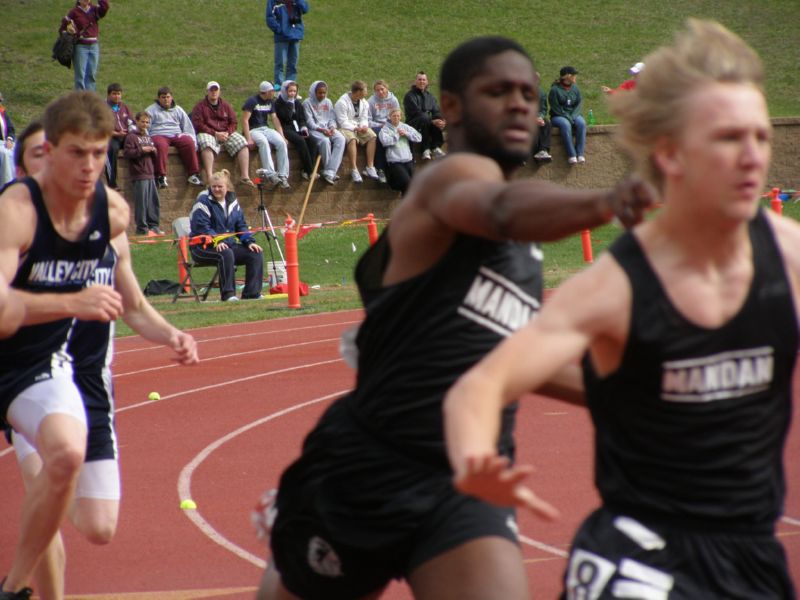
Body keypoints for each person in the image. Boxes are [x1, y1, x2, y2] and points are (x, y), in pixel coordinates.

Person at [255, 36, 653, 600]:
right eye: (498, 91)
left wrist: (642, 392)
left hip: (467, 478)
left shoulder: (523, 247)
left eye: (528, 93)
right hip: (371, 467)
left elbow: (513, 357)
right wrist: (607, 202)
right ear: (451, 109)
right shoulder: (449, 182)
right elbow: (497, 208)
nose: (520, 104)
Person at [444, 20, 798, 599]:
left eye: (761, 137)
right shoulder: (618, 287)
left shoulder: (786, 257)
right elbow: (480, 386)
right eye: (729, 139)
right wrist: (476, 459)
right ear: (671, 154)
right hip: (639, 559)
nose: (753, 157)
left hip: (751, 555)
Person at [0, 90, 196, 600]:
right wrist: (73, 301)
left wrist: (170, 334)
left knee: (88, 503)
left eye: (98, 151)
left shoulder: (112, 215)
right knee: (56, 463)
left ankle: (17, 580)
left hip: (64, 369)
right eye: (72, 152)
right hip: (18, 358)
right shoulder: (16, 212)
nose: (89, 164)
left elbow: (129, 303)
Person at [189, 169, 264, 302]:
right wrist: (216, 242)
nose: (216, 189)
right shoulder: (203, 202)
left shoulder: (233, 201)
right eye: (214, 187)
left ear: (227, 187)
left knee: (255, 253)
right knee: (226, 253)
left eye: (220, 187)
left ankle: (252, 294)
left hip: (227, 245)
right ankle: (228, 295)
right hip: (202, 248)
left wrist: (249, 242)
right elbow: (202, 227)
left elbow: (241, 225)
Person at [191, 82, 255, 187]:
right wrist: (215, 133)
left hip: (225, 132)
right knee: (206, 143)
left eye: (216, 90)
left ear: (219, 91)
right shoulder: (200, 106)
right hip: (208, 132)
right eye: (211, 90)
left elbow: (233, 121)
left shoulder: (225, 105)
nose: (214, 92)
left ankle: (245, 176)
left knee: (242, 142)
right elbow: (198, 124)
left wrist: (227, 133)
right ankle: (210, 177)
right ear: (207, 92)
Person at [145, 86, 203, 189]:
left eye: (168, 97)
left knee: (188, 142)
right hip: (159, 134)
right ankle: (161, 176)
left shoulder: (178, 110)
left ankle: (193, 174)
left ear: (171, 97)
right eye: (163, 97)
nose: (166, 99)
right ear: (158, 98)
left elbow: (187, 126)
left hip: (176, 134)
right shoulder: (151, 110)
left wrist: (192, 140)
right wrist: (146, 140)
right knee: (161, 145)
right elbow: (145, 126)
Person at [242, 81, 290, 189]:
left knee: (281, 143)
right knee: (263, 142)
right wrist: (248, 139)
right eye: (272, 91)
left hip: (265, 128)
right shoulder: (252, 101)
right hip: (253, 130)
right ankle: (271, 174)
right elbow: (245, 120)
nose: (274, 93)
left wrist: (282, 136)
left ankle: (283, 175)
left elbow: (274, 119)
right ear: (266, 91)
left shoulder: (270, 101)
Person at [124, 111, 162, 235]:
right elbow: (128, 153)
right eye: (142, 122)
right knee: (142, 203)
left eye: (147, 122)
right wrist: (142, 149)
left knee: (153, 202)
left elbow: (154, 155)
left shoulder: (148, 136)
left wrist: (154, 150)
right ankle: (142, 229)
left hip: (150, 173)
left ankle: (154, 226)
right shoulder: (131, 137)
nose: (145, 124)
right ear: (136, 121)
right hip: (139, 173)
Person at [334, 80, 380, 183]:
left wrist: (364, 126)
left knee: (372, 136)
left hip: (358, 126)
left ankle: (370, 166)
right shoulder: (342, 102)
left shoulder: (364, 102)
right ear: (358, 92)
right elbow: (342, 121)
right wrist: (355, 128)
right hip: (345, 128)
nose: (366, 93)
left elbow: (364, 117)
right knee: (352, 139)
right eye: (365, 91)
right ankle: (354, 169)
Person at [59, 0, 110, 91]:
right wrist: (69, 31)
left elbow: (105, 8)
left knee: (91, 74)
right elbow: (63, 28)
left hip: (94, 46)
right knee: (80, 76)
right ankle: (80, 99)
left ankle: (90, 98)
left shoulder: (94, 10)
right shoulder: (74, 12)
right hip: (80, 47)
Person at [304, 80, 345, 185]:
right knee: (325, 141)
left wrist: (332, 127)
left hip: (328, 128)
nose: (322, 95)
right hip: (315, 130)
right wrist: (321, 130)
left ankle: (330, 170)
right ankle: (328, 170)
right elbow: (309, 122)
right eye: (319, 93)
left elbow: (332, 118)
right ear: (314, 92)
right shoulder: (307, 103)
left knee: (341, 138)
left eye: (324, 93)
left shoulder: (328, 102)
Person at [275, 80, 317, 181]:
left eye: (294, 91)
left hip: (297, 127)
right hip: (285, 128)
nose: (292, 94)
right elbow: (286, 117)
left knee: (312, 141)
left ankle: (308, 169)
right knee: (300, 141)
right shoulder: (278, 103)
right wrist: (290, 105)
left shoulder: (297, 103)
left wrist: (303, 127)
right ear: (285, 91)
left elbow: (301, 118)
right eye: (290, 91)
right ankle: (310, 171)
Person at [403, 71, 446, 160]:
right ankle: (425, 149)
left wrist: (441, 120)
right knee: (425, 118)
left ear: (427, 82)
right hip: (413, 123)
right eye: (419, 79)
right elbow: (416, 112)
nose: (421, 82)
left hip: (426, 121)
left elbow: (436, 111)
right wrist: (431, 121)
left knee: (437, 118)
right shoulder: (409, 96)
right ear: (415, 82)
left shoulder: (430, 96)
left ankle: (436, 147)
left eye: (423, 80)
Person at [266, 0, 309, 88]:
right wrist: (279, 30)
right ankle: (278, 89)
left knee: (293, 65)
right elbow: (269, 17)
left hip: (295, 35)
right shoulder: (274, 1)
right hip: (282, 37)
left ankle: (291, 89)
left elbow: (305, 9)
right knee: (280, 64)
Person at [549, 66, 587, 165]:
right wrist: (568, 117)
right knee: (565, 124)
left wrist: (573, 116)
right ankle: (572, 155)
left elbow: (578, 104)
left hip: (573, 114)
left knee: (581, 123)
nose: (575, 77)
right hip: (558, 115)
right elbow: (555, 107)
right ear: (567, 77)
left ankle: (580, 153)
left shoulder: (575, 88)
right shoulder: (555, 90)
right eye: (574, 75)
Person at [378, 107, 421, 194]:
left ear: (401, 116)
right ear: (390, 117)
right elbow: (385, 142)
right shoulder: (385, 129)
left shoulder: (405, 127)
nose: (396, 118)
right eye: (394, 116)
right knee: (407, 183)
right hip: (395, 162)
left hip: (408, 160)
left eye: (398, 116)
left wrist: (407, 134)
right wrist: (397, 135)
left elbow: (419, 137)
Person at [368, 79, 400, 184]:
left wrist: (393, 125)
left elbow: (397, 115)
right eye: (377, 90)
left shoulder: (393, 100)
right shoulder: (371, 101)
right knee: (380, 138)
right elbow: (368, 120)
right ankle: (380, 169)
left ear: (387, 88)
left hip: (390, 125)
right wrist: (379, 125)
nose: (380, 92)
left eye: (382, 89)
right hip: (377, 126)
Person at [104, 82, 134, 190]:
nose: (117, 96)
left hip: (125, 135)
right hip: (110, 136)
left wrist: (130, 130)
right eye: (114, 94)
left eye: (119, 94)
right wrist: (116, 133)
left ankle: (139, 178)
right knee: (111, 148)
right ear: (108, 95)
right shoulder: (102, 108)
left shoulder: (124, 107)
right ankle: (112, 183)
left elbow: (132, 122)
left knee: (138, 145)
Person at [533, 76, 552, 162]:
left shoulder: (541, 93)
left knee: (546, 123)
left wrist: (540, 117)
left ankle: (543, 150)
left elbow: (544, 109)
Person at [0, 92, 16, 186]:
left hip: (4, 142)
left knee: (20, 148)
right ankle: (6, 184)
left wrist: (9, 139)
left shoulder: (2, 112)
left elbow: (10, 128)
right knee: (5, 154)